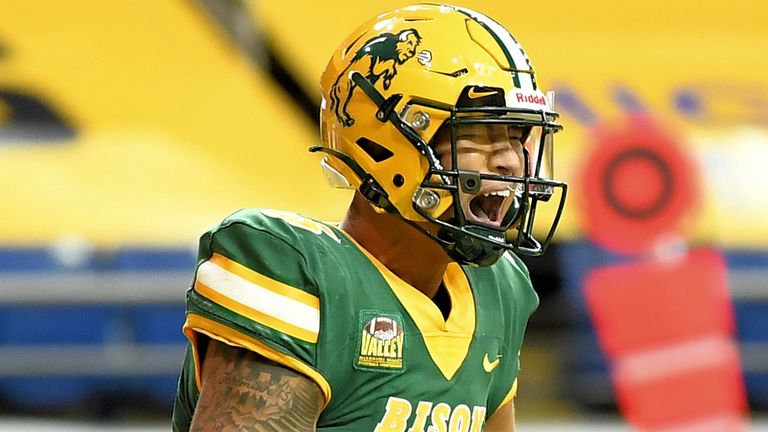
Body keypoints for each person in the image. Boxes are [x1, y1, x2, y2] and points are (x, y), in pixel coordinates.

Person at [172, 3, 567, 431]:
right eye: (478, 134)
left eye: (516, 136)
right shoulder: (292, 268)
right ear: (386, 141)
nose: (510, 161)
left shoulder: (498, 287)